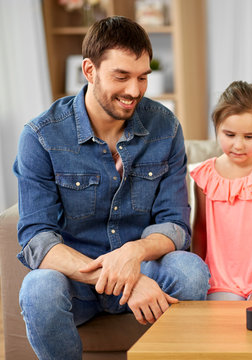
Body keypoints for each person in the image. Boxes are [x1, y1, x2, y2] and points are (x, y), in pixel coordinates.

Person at [13, 16, 210, 359]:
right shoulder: (41, 136)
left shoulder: (165, 127)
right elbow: (36, 239)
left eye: (143, 77)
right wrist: (119, 278)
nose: (134, 90)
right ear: (89, 70)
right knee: (38, 289)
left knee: (190, 271)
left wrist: (132, 256)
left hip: (144, 266)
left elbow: (176, 225)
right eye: (121, 76)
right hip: (77, 280)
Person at [190, 81, 252, 301]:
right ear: (216, 127)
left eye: (249, 137)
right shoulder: (204, 176)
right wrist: (198, 283)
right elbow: (199, 234)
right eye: (229, 135)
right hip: (219, 282)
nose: (238, 145)